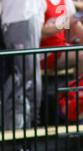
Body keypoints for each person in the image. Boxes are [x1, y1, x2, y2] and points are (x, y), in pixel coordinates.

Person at [40, 0, 83, 85]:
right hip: (44, 52)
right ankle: (78, 95)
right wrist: (64, 24)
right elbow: (40, 32)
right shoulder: (39, 3)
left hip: (62, 47)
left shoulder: (66, 2)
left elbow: (75, 25)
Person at [0, 0, 44, 130]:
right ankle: (20, 132)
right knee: (21, 80)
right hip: (16, 20)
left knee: (25, 80)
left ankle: (25, 130)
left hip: (21, 19)